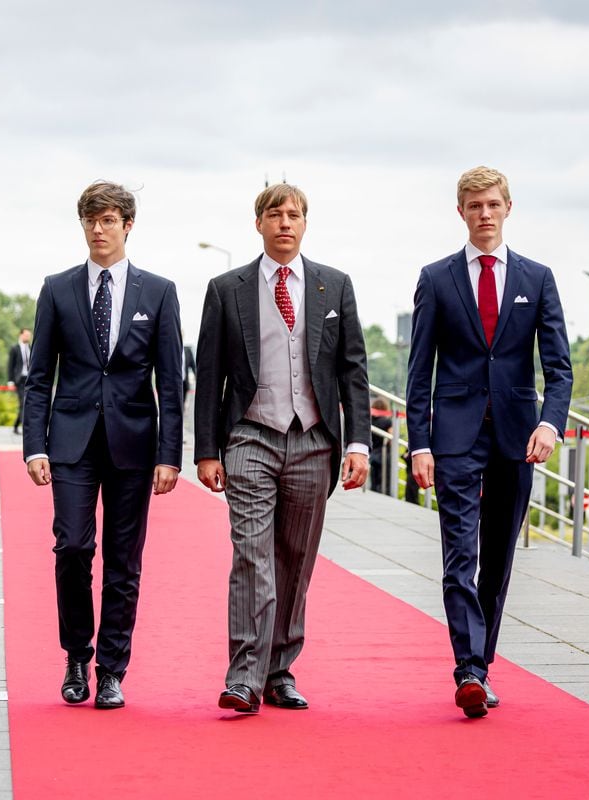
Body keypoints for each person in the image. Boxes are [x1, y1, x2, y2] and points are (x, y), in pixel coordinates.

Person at [194, 182, 370, 714]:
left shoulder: (333, 287)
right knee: (252, 555)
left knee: (296, 558)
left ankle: (279, 670)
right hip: (250, 433)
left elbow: (353, 370)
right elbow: (209, 376)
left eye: (294, 215)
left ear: (305, 224)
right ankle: (243, 675)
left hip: (314, 439)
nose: (285, 223)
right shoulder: (228, 289)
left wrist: (358, 441)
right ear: (259, 224)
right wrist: (206, 450)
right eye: (275, 214)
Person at [405, 166, 572, 719]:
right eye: (474, 206)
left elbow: (559, 369)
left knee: (497, 559)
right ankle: (469, 671)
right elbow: (418, 370)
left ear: (507, 208)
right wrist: (420, 444)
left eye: (493, 205)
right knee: (461, 555)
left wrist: (549, 424)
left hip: (518, 438)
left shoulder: (537, 278)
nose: (484, 214)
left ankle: (483, 661)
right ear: (461, 212)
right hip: (454, 437)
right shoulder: (436, 278)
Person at [22, 180, 183, 710]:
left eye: (109, 220)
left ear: (127, 225)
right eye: (91, 220)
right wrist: (34, 445)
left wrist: (169, 454)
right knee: (72, 547)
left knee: (124, 561)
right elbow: (39, 376)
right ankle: (76, 655)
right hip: (70, 442)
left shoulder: (158, 292)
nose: (98, 229)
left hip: (134, 446)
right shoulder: (58, 288)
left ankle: (112, 669)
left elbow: (170, 380)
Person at [6, 327, 31, 434]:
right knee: (22, 402)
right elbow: (10, 366)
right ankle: (25, 427)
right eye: (26, 335)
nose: (28, 337)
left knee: (28, 403)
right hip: (19, 380)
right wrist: (10, 381)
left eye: (29, 335)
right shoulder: (14, 348)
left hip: (29, 379)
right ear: (20, 335)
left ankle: (16, 425)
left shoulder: (30, 347)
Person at [369, 397, 393, 492]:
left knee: (373, 480)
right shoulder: (387, 421)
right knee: (384, 480)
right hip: (383, 453)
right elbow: (391, 437)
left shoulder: (370, 420)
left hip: (372, 452)